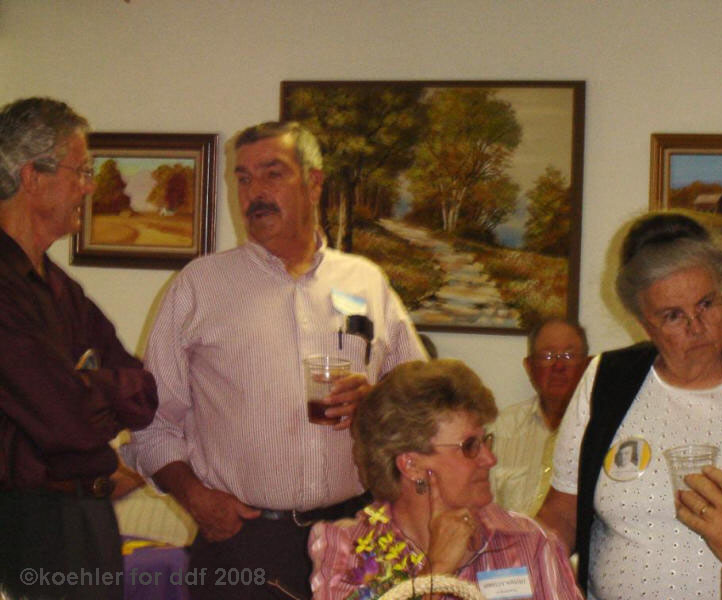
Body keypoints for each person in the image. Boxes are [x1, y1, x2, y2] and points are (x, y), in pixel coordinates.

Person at [122, 121, 427, 600]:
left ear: (314, 182)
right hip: (241, 542)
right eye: (243, 179)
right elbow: (149, 423)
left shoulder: (366, 282)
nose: (254, 193)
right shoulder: (200, 287)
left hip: (356, 536)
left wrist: (378, 401)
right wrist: (194, 497)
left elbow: (425, 400)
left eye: (272, 174)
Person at [537, 211, 722, 599]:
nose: (697, 327)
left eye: (706, 304)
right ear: (645, 325)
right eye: (673, 316)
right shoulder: (606, 380)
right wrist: (514, 559)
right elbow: (562, 515)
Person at [0, 97, 158, 599]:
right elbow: (64, 417)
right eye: (81, 171)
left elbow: (144, 391)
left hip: (88, 520)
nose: (90, 187)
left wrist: (88, 389)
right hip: (27, 526)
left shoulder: (60, 288)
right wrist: (94, 397)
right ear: (32, 177)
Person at [308, 359, 584, 600]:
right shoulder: (347, 548)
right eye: (470, 446)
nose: (490, 459)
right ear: (411, 465)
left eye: (486, 440)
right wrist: (437, 571)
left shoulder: (531, 543)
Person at [490, 318, 588, 515]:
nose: (559, 366)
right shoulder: (500, 428)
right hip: (511, 544)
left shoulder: (603, 430)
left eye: (569, 356)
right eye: (547, 355)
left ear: (587, 365)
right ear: (529, 366)